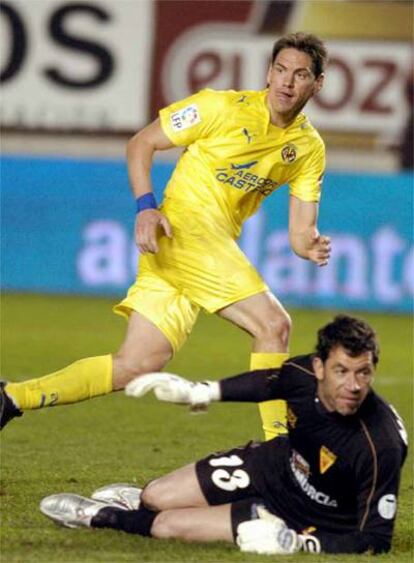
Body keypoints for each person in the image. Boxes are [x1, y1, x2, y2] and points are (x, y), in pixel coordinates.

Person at [1, 32, 331, 438]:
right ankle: (280, 450)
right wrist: (146, 207)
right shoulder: (218, 107)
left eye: (300, 75)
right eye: (280, 70)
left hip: (191, 248)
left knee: (136, 365)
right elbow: (142, 143)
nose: (286, 82)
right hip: (181, 230)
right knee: (273, 326)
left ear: (317, 84)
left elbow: (300, 233)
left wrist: (309, 246)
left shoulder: (308, 148)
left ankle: (13, 397)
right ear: (268, 71)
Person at [40, 315, 407, 555]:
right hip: (273, 466)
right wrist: (202, 391)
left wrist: (298, 542)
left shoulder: (381, 445)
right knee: (156, 496)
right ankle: (142, 499)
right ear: (319, 367)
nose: (354, 385)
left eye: (364, 373)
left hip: (299, 516)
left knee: (167, 526)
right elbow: (267, 382)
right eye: (342, 371)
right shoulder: (301, 374)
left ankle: (99, 516)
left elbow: (375, 540)